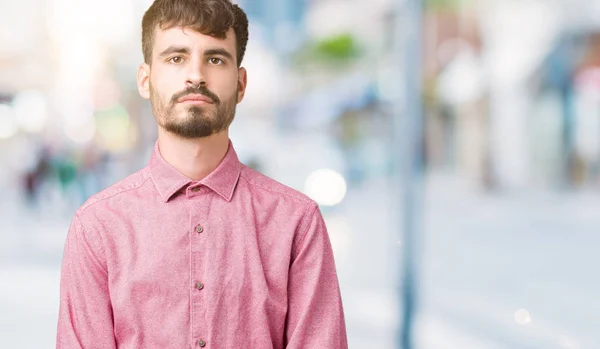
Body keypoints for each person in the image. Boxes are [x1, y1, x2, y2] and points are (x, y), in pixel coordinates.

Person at [56, 0, 348, 348]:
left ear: (240, 84)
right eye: (176, 58)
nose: (196, 75)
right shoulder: (97, 228)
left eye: (215, 58)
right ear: (146, 80)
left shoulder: (296, 223)